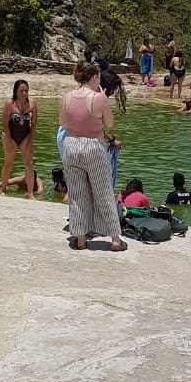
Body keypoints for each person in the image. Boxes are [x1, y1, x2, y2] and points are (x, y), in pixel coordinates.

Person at [58, 60, 127, 251]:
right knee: (103, 191)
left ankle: (80, 239)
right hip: (93, 146)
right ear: (95, 77)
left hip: (71, 145)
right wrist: (103, 98)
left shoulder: (67, 97)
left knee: (78, 194)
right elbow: (110, 123)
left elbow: (63, 121)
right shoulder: (98, 98)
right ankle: (115, 239)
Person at [0, 80, 37, 198]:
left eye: (26, 90)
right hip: (10, 135)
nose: (24, 93)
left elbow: (34, 123)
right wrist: (9, 140)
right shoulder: (9, 104)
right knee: (8, 163)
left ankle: (30, 193)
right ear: (16, 91)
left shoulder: (32, 104)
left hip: (25, 136)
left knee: (29, 164)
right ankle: (3, 190)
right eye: (21, 91)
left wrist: (31, 140)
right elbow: (4, 124)